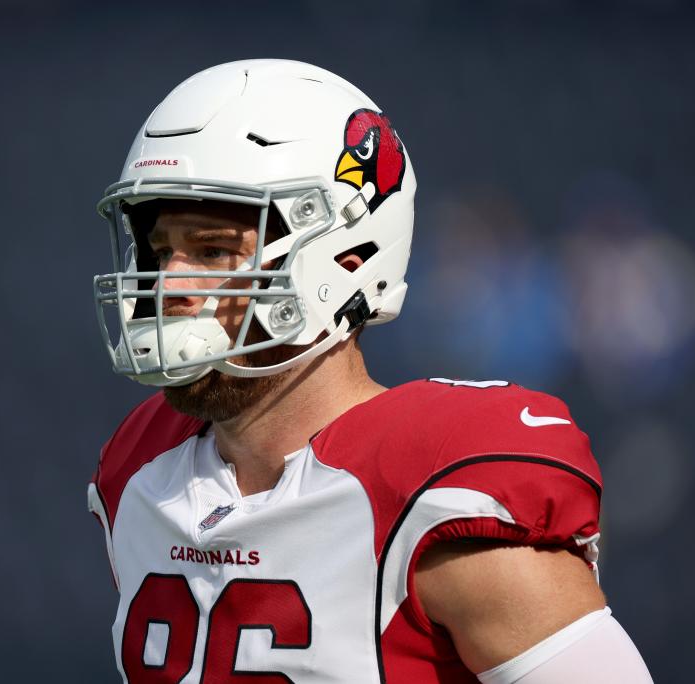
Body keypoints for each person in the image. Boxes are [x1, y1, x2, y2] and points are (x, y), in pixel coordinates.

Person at [88, 59, 653, 683]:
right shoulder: (142, 479)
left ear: (343, 255)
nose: (170, 283)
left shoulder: (434, 501)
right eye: (161, 250)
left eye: (214, 249)